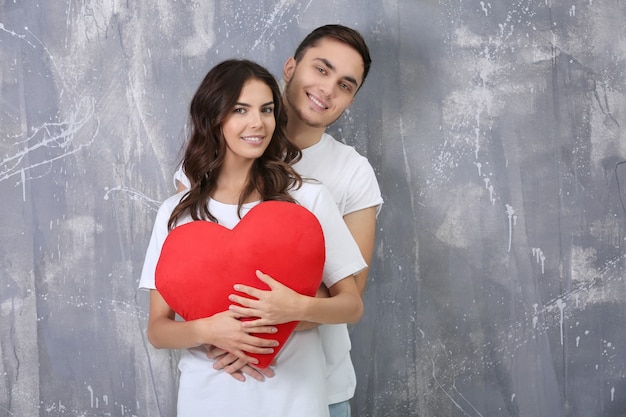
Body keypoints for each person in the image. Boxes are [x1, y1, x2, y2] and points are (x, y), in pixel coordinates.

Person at [175, 25, 382, 417]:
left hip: (320, 384)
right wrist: (232, 334)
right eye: (321, 70)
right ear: (290, 67)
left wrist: (259, 333)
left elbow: (349, 291)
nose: (327, 90)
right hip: (223, 379)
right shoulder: (213, 164)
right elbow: (191, 275)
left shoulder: (352, 174)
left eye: (345, 85)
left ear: (351, 99)